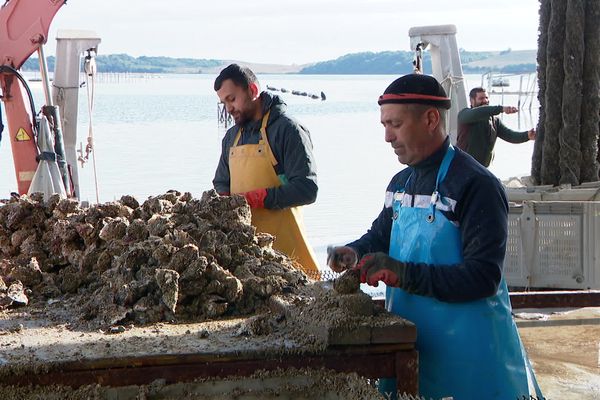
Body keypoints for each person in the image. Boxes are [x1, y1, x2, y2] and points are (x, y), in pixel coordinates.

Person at [327, 74, 543, 399]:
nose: (387, 136)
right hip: (413, 349)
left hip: (474, 361)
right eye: (384, 125)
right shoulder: (400, 185)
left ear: (430, 119)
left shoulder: (476, 185)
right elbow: (380, 237)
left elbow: (483, 277)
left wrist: (403, 274)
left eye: (395, 124)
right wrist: (354, 252)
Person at [213, 64, 320, 278]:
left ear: (253, 91)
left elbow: (307, 189)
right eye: (223, 102)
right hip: (246, 255)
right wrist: (223, 203)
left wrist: (260, 198)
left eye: (232, 99)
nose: (228, 109)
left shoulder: (288, 130)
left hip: (288, 255)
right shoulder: (232, 137)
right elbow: (221, 184)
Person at [457, 87, 536, 167]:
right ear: (472, 101)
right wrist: (501, 109)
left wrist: (527, 136)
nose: (485, 101)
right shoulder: (464, 115)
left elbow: (510, 135)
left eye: (486, 98)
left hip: (483, 168)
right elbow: (479, 112)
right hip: (463, 166)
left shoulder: (494, 120)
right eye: (481, 98)